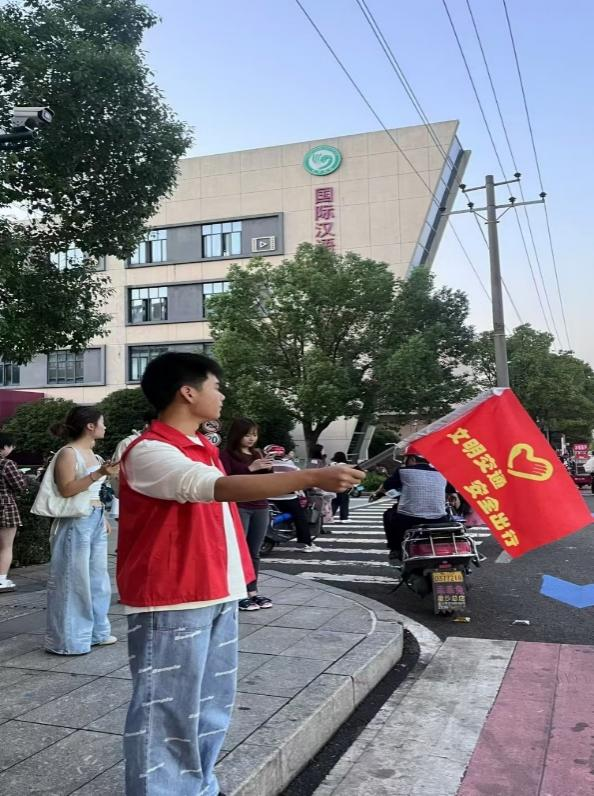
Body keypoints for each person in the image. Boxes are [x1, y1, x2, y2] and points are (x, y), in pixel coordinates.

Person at [116, 351, 363, 796]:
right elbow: (216, 489)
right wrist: (310, 477)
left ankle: (198, 786)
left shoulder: (203, 447)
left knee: (211, 705)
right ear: (187, 392)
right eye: (216, 386)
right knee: (167, 709)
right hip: (173, 597)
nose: (222, 395)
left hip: (218, 589)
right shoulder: (150, 450)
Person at [45, 407, 119, 655]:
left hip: (94, 517)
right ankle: (70, 641)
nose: (105, 427)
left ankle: (97, 632)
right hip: (75, 520)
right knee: (72, 580)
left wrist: (104, 516)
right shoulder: (68, 453)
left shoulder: (94, 455)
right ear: (90, 426)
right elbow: (66, 489)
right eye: (102, 422)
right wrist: (99, 473)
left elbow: (95, 492)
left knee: (98, 580)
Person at [220, 418, 275, 611]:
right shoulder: (226, 455)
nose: (251, 438)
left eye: (254, 434)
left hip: (260, 505)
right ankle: (238, 593)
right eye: (247, 435)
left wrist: (268, 468)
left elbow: (266, 479)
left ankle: (252, 591)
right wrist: (250, 468)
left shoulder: (257, 453)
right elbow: (224, 480)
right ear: (237, 435)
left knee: (254, 552)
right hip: (239, 506)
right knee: (237, 552)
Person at [371, 451, 453, 561]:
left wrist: (379, 494)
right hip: (440, 519)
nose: (405, 462)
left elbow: (387, 486)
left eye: (406, 459)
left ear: (413, 459)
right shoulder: (442, 473)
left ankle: (395, 549)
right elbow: (451, 491)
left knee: (388, 514)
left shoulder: (403, 471)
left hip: (409, 519)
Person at [265, 444, 322, 552]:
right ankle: (307, 543)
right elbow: (300, 477)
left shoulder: (264, 463)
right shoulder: (289, 464)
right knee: (300, 518)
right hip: (288, 497)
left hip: (268, 497)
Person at [0, 432, 28, 593]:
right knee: (6, 546)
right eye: (11, 446)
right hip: (5, 507)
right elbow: (20, 485)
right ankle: (1, 580)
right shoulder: (6, 464)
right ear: (4, 447)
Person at [309, 444, 335, 525]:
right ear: (319, 451)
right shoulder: (316, 461)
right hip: (319, 487)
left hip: (320, 486)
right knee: (320, 507)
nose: (324, 451)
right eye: (322, 449)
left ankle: (320, 525)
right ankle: (319, 526)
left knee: (322, 506)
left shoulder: (318, 460)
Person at [331, 451, 351, 522]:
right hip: (343, 485)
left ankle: (330, 516)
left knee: (334, 501)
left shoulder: (331, 465)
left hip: (333, 485)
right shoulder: (346, 465)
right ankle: (344, 518)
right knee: (344, 502)